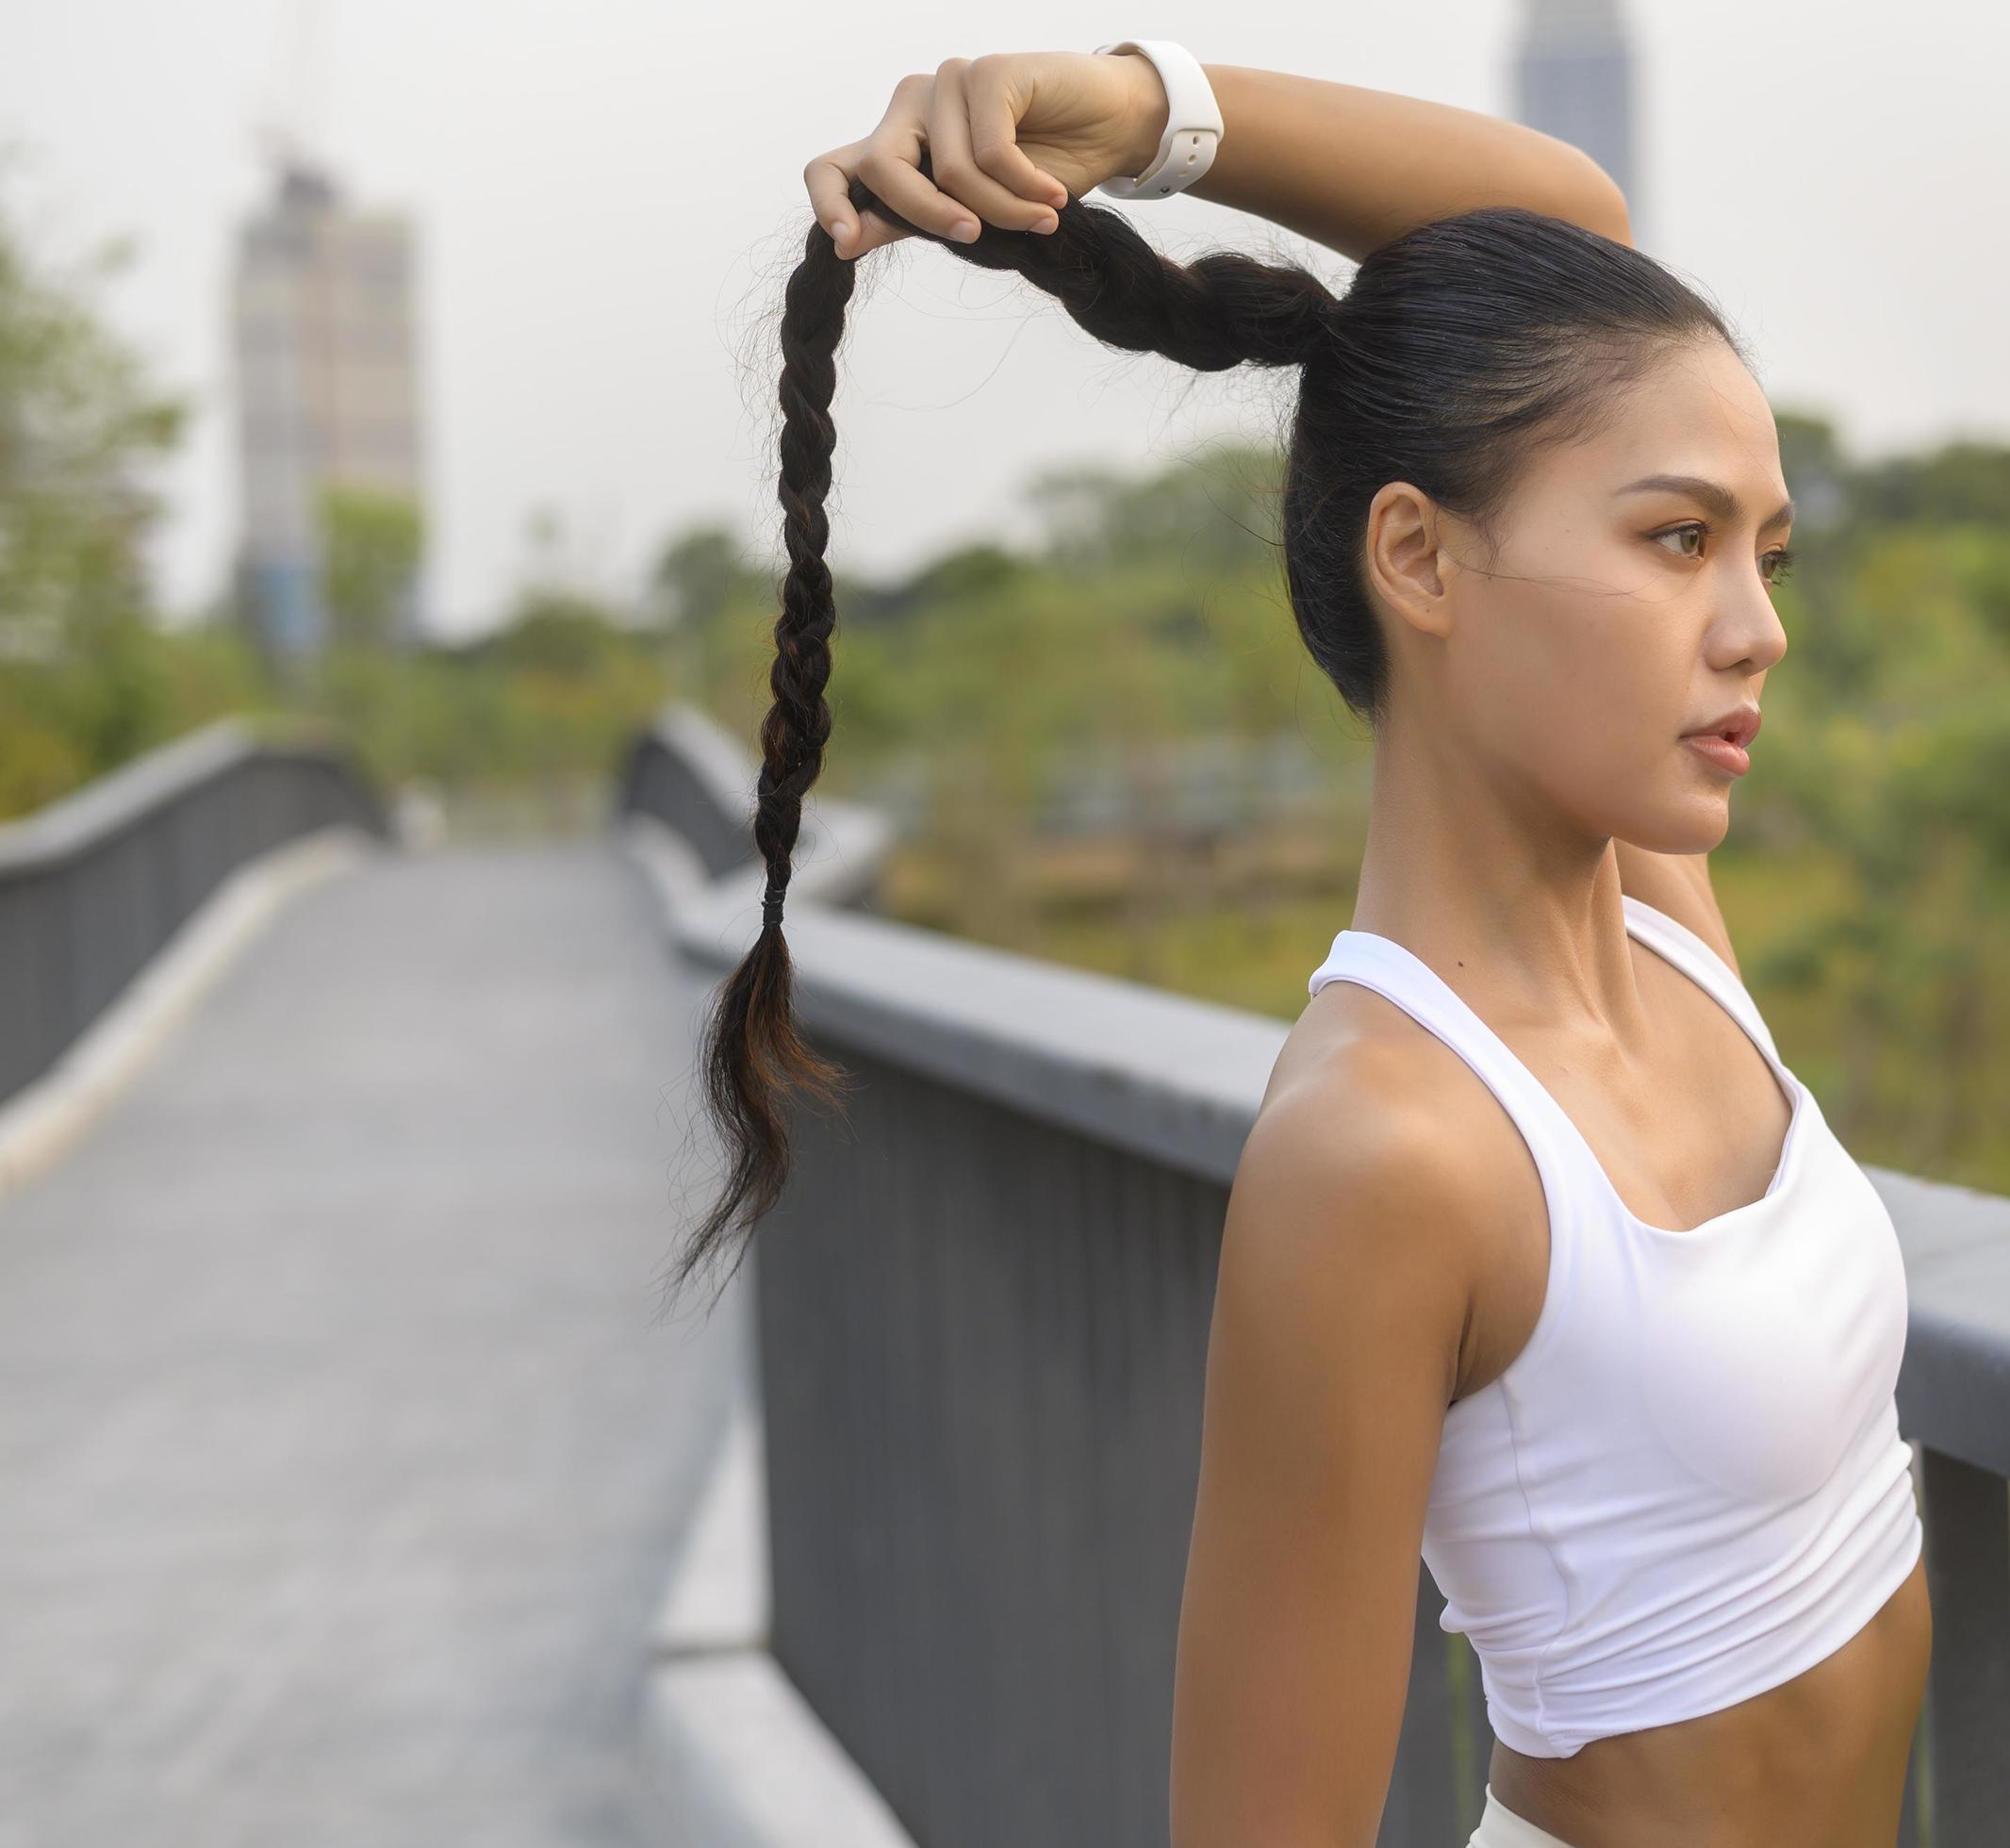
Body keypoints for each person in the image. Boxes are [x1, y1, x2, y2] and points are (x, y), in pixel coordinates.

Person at [687, 45, 1931, 1848]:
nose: (1753, 631)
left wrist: (1151, 107)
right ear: (1418, 562)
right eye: (1676, 541)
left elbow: (1567, 243)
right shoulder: (1385, 1148)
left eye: (1767, 555)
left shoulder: (1657, 929)